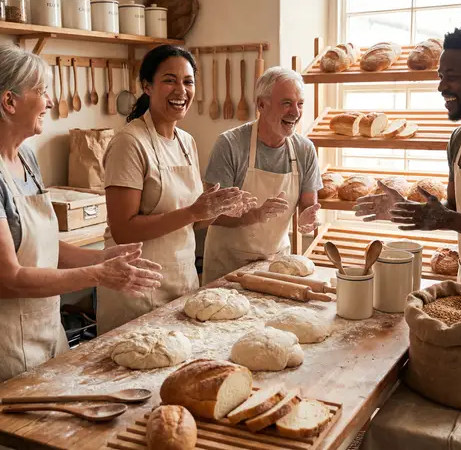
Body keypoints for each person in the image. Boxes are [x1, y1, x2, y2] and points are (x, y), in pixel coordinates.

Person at [0, 43, 162, 382]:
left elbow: (45, 251)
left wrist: (101, 259)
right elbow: (9, 279)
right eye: (41, 92)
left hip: (47, 334)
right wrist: (99, 275)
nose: (48, 102)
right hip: (8, 349)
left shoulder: (27, 158)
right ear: (9, 101)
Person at [98, 45, 254, 334]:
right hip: (137, 291)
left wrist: (217, 208)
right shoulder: (129, 143)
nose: (181, 90)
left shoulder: (186, 141)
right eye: (170, 80)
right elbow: (123, 230)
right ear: (147, 86)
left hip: (181, 285)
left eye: (188, 81)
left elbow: (191, 221)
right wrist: (195, 211)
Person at [354, 23, 461, 289]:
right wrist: (410, 212)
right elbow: (454, 210)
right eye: (440, 76)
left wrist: (446, 219)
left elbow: (452, 218)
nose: (441, 87)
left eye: (452, 76)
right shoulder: (459, 139)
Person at [201, 66, 323, 284]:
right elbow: (210, 215)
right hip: (228, 265)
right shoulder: (230, 145)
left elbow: (307, 204)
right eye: (286, 103)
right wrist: (255, 215)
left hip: (276, 264)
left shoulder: (305, 150)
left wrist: (308, 217)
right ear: (261, 105)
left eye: (300, 103)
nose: (295, 112)